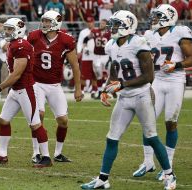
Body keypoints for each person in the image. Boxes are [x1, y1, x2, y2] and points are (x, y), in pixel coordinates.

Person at [80, 10, 176, 190]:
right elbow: (115, 71)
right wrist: (105, 89)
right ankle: (103, 179)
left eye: (116, 24)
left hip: (142, 96)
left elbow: (149, 76)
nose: (112, 28)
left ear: (127, 25)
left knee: (152, 137)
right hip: (124, 98)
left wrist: (121, 85)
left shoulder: (139, 43)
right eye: (113, 24)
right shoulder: (111, 45)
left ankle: (169, 175)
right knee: (112, 138)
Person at [133, 4, 192, 181]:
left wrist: (177, 64)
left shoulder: (180, 32)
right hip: (157, 79)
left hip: (175, 80)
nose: (154, 19)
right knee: (147, 121)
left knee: (170, 122)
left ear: (168, 17)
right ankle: (148, 161)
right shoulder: (149, 35)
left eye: (158, 16)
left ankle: (169, 163)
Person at [0, 18, 52, 168]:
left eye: (10, 29)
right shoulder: (14, 44)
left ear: (19, 30)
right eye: (6, 29)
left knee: (35, 125)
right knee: (3, 120)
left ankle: (46, 157)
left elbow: (16, 74)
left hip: (25, 90)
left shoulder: (22, 46)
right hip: (15, 90)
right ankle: (2, 155)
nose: (6, 31)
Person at [27, 10, 83, 163]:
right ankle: (36, 152)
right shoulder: (34, 36)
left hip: (54, 85)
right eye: (44, 21)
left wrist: (78, 88)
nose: (44, 24)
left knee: (63, 120)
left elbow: (75, 66)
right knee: (39, 115)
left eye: (47, 21)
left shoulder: (66, 40)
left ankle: (58, 153)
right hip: (36, 83)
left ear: (56, 23)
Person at [83, 18, 111, 99]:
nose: (101, 24)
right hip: (96, 56)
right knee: (98, 74)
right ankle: (99, 92)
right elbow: (86, 39)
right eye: (101, 23)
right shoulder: (95, 32)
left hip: (106, 56)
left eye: (103, 23)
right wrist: (85, 48)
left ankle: (108, 91)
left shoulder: (109, 33)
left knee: (109, 74)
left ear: (106, 25)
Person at [77, 17, 97, 98]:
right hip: (86, 55)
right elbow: (80, 42)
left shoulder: (97, 31)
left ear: (93, 22)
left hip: (95, 55)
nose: (90, 23)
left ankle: (94, 89)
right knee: (83, 73)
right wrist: (79, 51)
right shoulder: (83, 32)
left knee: (94, 73)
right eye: (88, 22)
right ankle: (82, 89)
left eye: (91, 22)